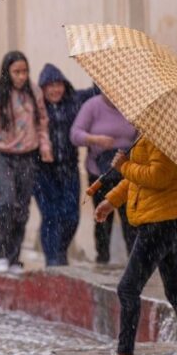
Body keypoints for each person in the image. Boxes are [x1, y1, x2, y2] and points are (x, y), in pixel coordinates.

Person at [84, 137, 177, 355]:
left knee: (128, 288)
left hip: (160, 224)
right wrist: (111, 201)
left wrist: (124, 166)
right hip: (171, 220)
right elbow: (137, 180)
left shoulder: (166, 138)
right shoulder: (148, 134)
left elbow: (158, 177)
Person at [0, 51, 52, 276]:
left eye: (24, 71)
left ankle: (15, 256)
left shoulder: (34, 93)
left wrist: (45, 147)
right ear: (7, 72)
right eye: (17, 72)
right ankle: (1, 252)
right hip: (1, 155)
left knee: (22, 208)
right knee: (6, 201)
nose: (21, 76)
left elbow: (42, 123)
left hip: (28, 155)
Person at [33, 63, 99, 266]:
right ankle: (54, 259)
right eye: (50, 86)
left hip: (69, 168)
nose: (55, 90)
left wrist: (100, 72)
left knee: (71, 216)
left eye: (58, 85)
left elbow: (95, 91)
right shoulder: (35, 108)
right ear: (42, 89)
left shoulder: (74, 100)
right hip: (42, 171)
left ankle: (59, 251)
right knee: (50, 215)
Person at [71, 93, 138, 263]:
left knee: (130, 216)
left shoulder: (133, 107)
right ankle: (103, 258)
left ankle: (135, 261)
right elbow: (75, 134)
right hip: (100, 172)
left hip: (127, 169)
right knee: (102, 216)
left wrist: (130, 151)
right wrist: (95, 139)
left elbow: (140, 135)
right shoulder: (92, 106)